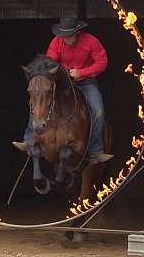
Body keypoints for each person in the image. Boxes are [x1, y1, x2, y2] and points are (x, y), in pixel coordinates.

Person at [12, 16, 113, 164]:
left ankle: (95, 150)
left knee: (98, 110)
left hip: (86, 81)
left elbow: (102, 62)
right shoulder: (57, 42)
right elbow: (49, 63)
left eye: (70, 35)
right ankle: (29, 140)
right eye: (64, 36)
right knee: (40, 100)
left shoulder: (91, 41)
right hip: (63, 82)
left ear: (77, 32)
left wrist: (82, 72)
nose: (67, 39)